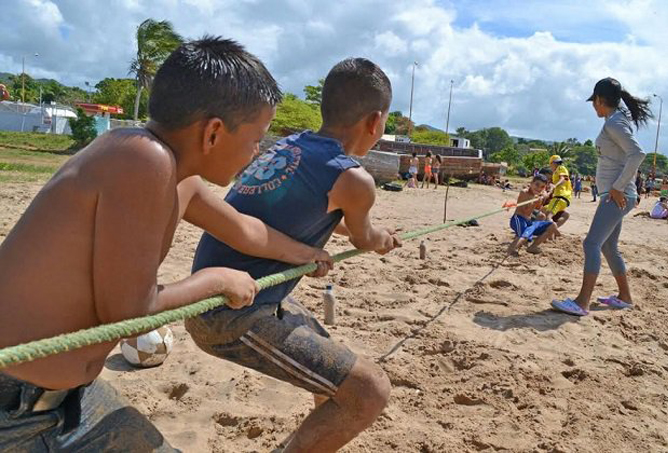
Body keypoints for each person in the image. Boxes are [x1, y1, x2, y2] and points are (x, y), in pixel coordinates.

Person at [0, 37, 334, 452]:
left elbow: (246, 230)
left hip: (64, 399)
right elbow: (128, 313)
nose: (255, 153)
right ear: (213, 132)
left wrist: (309, 254)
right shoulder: (143, 160)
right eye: (255, 139)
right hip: (13, 407)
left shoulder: (175, 174)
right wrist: (215, 280)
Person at [186, 58, 400, 452]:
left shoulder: (289, 146)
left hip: (223, 296)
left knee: (336, 376)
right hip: (231, 312)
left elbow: (306, 211)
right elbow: (364, 237)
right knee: (369, 390)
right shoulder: (354, 178)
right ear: (375, 121)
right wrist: (382, 238)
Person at [551, 77, 649, 316]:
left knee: (591, 243)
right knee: (607, 246)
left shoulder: (615, 123)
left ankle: (582, 302)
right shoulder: (615, 120)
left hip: (617, 195)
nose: (594, 106)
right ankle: (625, 296)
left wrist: (617, 187)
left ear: (599, 99)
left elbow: (637, 154)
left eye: (594, 101)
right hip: (617, 193)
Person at [507, 174, 558, 255]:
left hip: (529, 222)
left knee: (553, 225)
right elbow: (525, 211)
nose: (538, 188)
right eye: (537, 184)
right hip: (519, 219)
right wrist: (535, 201)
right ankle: (513, 248)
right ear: (531, 183)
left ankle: (533, 246)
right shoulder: (524, 192)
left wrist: (545, 196)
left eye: (542, 187)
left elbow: (537, 209)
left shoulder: (538, 195)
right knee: (523, 237)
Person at [542, 155, 572, 227]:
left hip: (560, 196)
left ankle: (552, 231)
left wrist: (555, 185)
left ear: (553, 163)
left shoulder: (560, 168)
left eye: (550, 165)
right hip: (562, 198)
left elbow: (563, 179)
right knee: (544, 210)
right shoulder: (555, 174)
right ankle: (547, 231)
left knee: (548, 217)